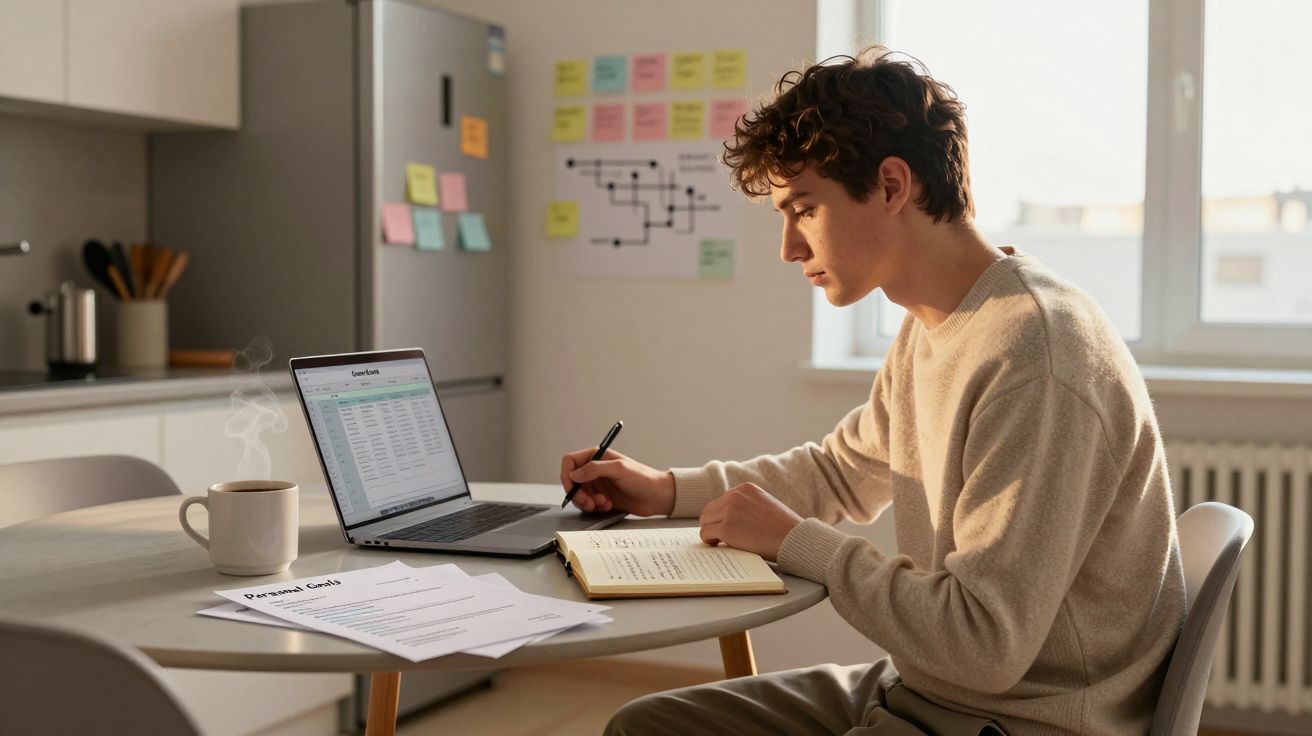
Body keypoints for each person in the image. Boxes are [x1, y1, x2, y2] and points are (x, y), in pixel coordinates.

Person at [560, 47, 1185, 736]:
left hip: (1015, 718)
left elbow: (984, 643)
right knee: (644, 726)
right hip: (927, 689)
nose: (788, 248)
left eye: (803, 209)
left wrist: (798, 542)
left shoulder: (1035, 354)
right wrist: (665, 490)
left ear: (891, 186)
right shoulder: (935, 322)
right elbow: (840, 473)